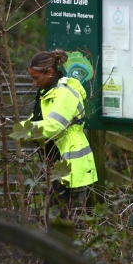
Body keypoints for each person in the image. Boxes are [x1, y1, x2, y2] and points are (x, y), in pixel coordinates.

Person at [25, 49, 97, 217]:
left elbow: (55, 125)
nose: (33, 83)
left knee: (63, 212)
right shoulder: (48, 91)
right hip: (54, 156)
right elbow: (39, 117)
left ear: (50, 72)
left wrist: (23, 130)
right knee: (56, 210)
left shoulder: (64, 92)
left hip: (68, 158)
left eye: (36, 78)